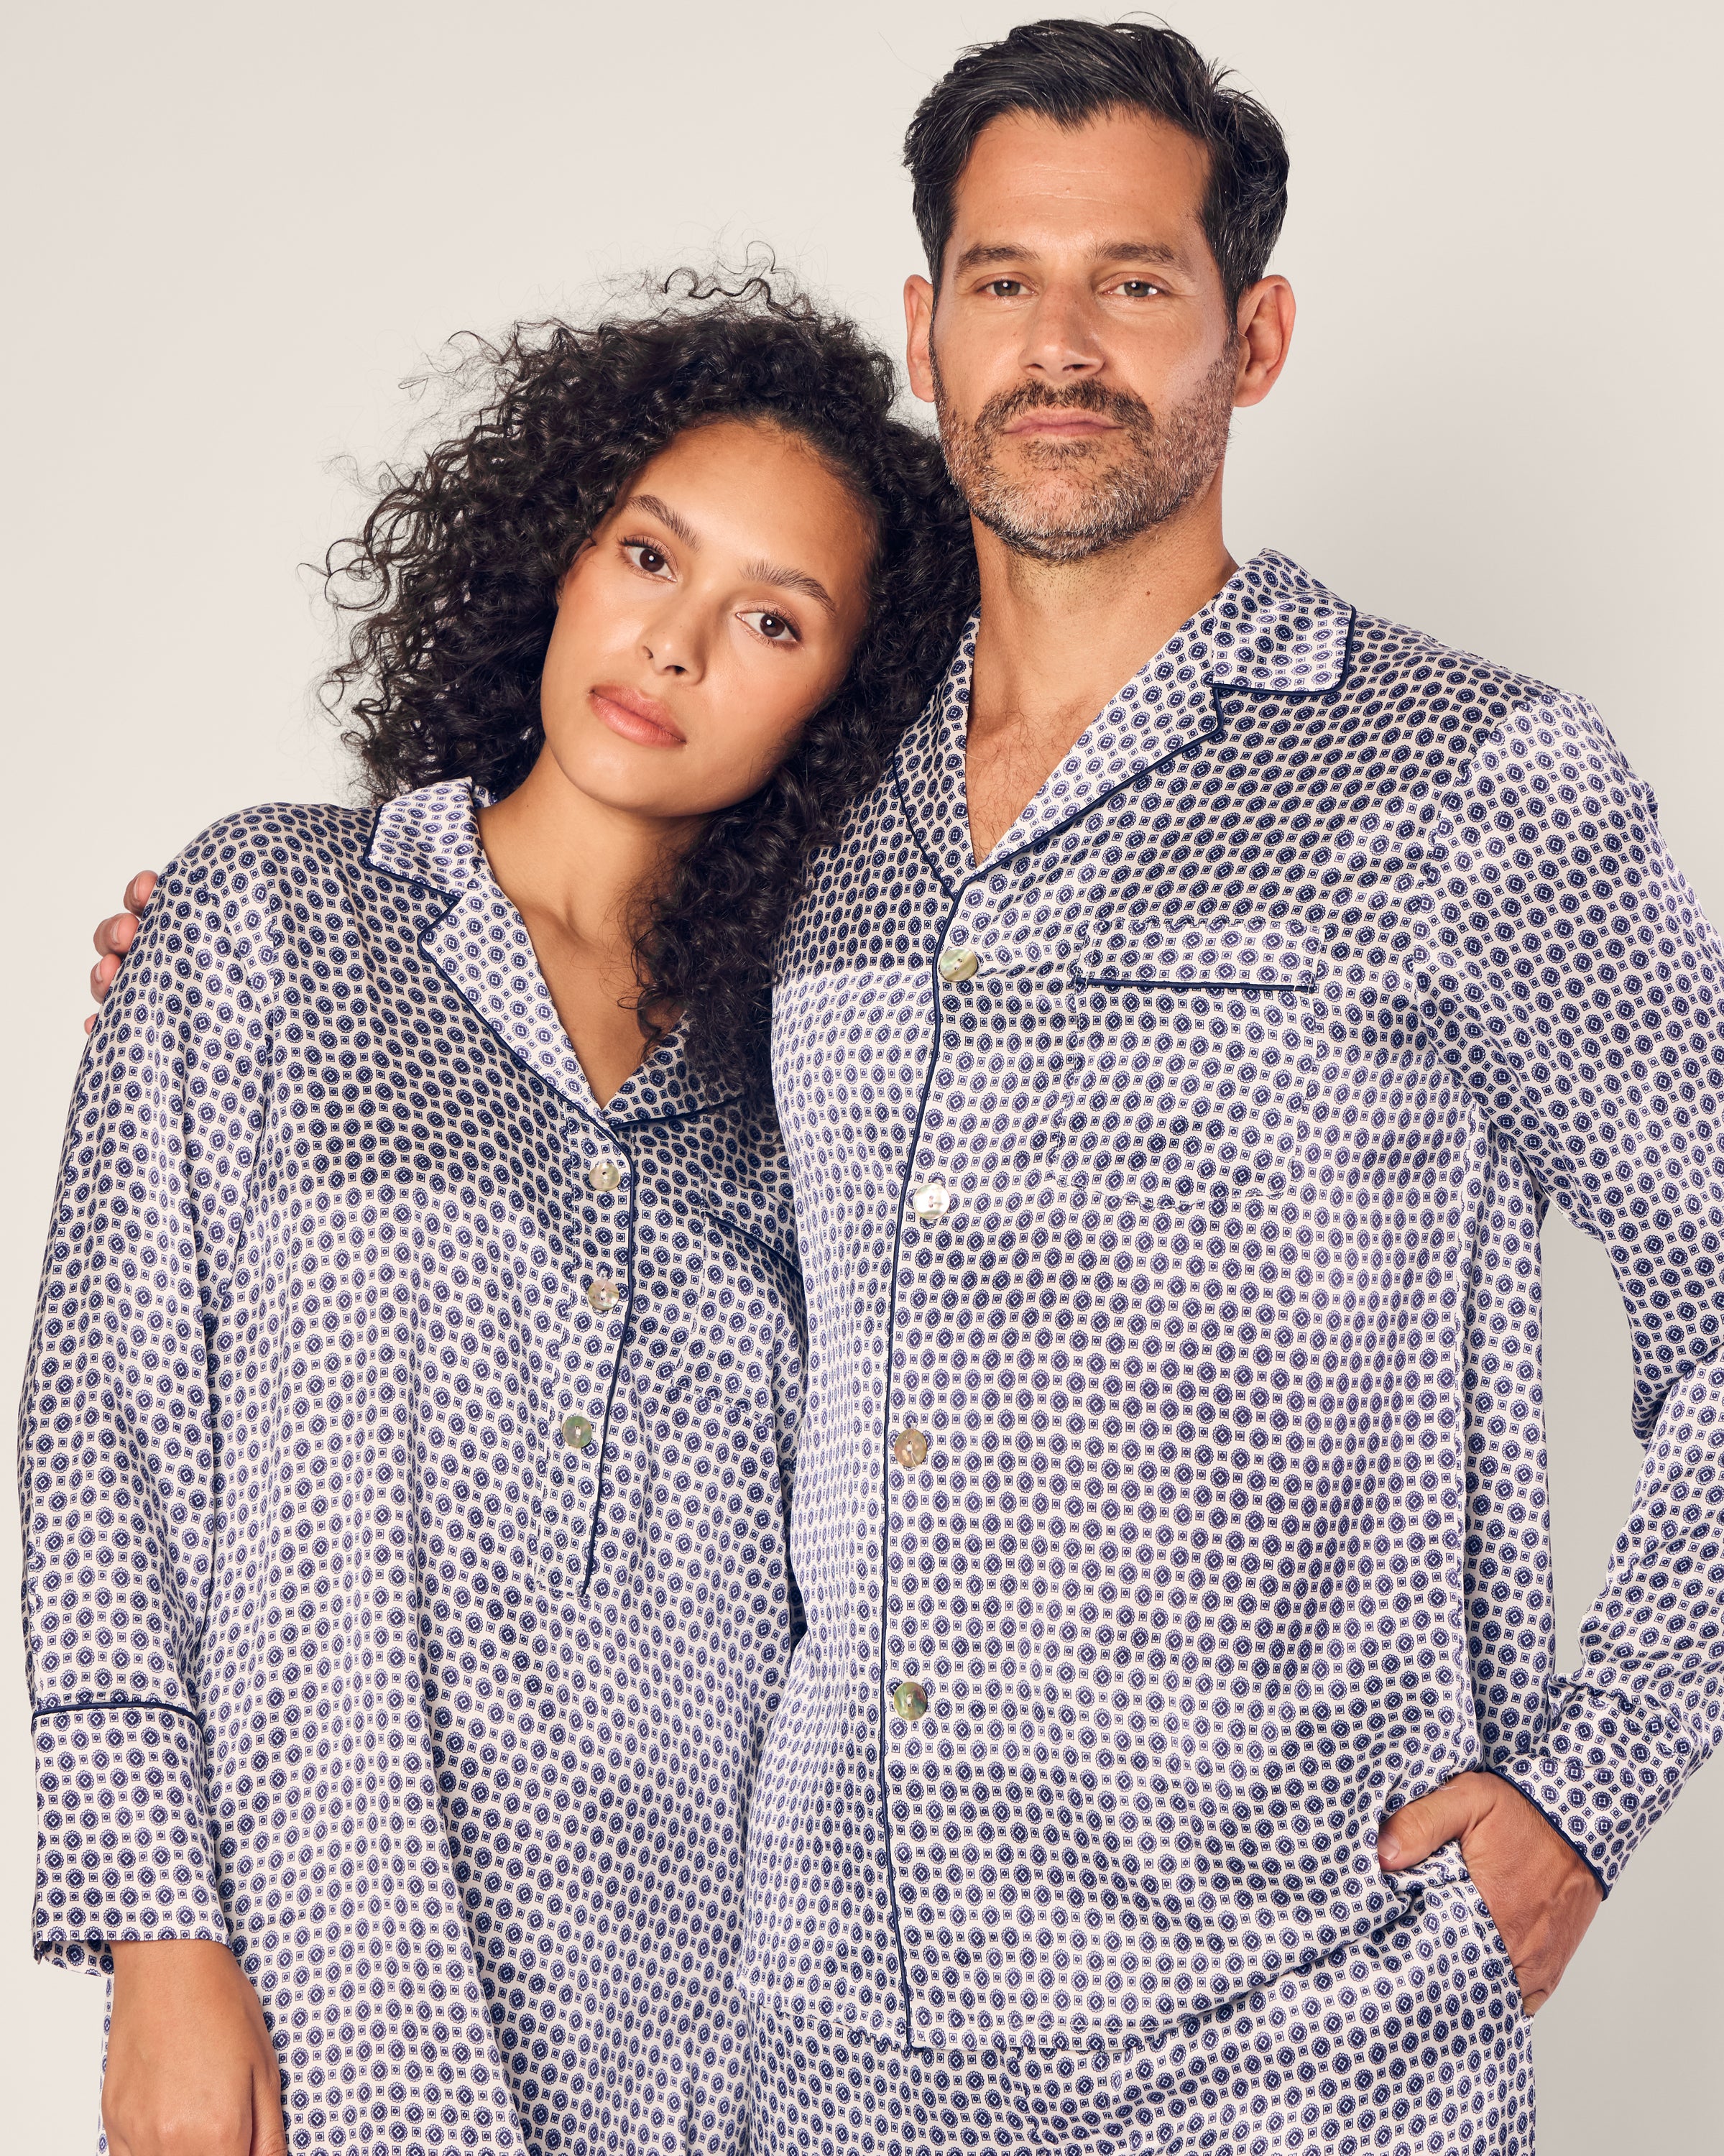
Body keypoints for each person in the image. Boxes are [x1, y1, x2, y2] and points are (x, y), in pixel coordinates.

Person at [80, 20, 1724, 2155]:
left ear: (1261, 330)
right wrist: (257, 960)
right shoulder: (808, 822)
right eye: (1001, 282)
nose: (1063, 345)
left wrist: (1593, 1793)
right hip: (811, 2047)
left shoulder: (1469, 778)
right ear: (926, 334)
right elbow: (564, 1085)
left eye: (1134, 282)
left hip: (1301, 2033)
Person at [27, 276, 974, 2156]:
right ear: (559, 549)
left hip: (725, 2038)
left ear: (839, 712)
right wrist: (160, 1948)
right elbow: (107, 1444)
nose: (678, 642)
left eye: (770, 621)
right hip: (327, 1971)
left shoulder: (807, 1104)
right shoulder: (266, 922)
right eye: (650, 553)